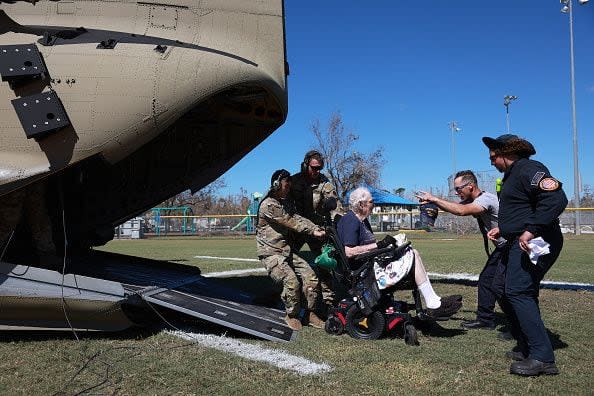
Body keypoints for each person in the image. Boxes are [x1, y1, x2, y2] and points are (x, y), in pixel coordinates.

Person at [482, 134, 567, 376]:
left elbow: (556, 198)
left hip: (537, 241)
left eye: (494, 156)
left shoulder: (530, 169)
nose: (491, 162)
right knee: (500, 287)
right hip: (518, 239)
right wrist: (504, 228)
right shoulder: (513, 175)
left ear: (509, 153)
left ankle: (542, 357)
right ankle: (527, 345)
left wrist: (531, 229)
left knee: (519, 290)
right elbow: (521, 209)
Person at [336, 187, 462, 319]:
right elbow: (349, 252)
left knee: (411, 252)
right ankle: (432, 302)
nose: (374, 205)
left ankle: (433, 300)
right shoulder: (351, 221)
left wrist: (387, 244)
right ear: (361, 204)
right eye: (371, 202)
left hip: (370, 264)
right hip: (364, 272)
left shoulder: (362, 221)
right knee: (412, 254)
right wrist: (379, 245)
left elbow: (366, 246)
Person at [416, 170, 507, 331]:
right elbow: (456, 207)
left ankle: (516, 325)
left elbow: (461, 211)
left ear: (470, 186)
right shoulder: (477, 199)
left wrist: (434, 198)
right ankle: (485, 320)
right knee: (487, 280)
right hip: (502, 248)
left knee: (503, 287)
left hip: (511, 247)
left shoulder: (485, 200)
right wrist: (432, 203)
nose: (456, 192)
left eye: (458, 189)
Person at [256, 169, 326, 331]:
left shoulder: (285, 203)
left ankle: (310, 314)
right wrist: (312, 232)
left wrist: (316, 227)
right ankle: (292, 315)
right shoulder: (269, 205)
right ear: (276, 184)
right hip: (271, 253)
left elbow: (298, 218)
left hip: (286, 251)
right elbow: (289, 221)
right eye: (286, 184)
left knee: (311, 276)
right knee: (291, 281)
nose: (289, 187)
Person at [289, 150, 342, 314]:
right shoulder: (293, 181)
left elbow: (334, 204)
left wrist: (337, 220)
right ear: (306, 165)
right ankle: (290, 295)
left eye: (319, 168)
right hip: (296, 228)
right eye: (313, 168)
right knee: (286, 258)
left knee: (325, 263)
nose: (316, 172)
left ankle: (328, 302)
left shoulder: (324, 183)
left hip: (316, 230)